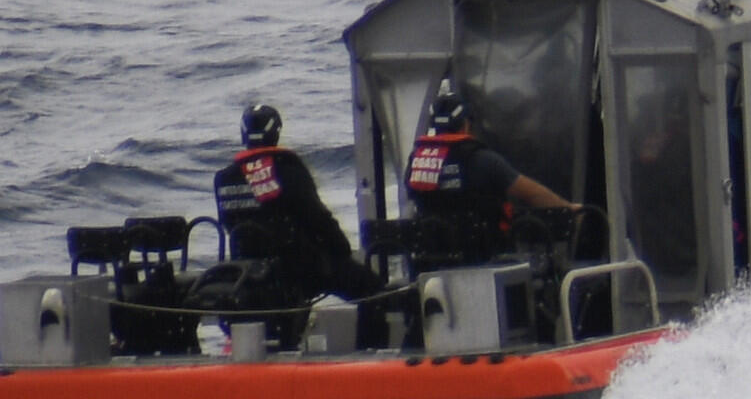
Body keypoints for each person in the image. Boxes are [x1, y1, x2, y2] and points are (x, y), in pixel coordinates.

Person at [210, 98, 373, 306]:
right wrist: (341, 249)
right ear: (276, 133)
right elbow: (318, 218)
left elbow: (228, 223)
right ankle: (373, 327)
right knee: (371, 288)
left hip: (246, 272)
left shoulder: (223, 178)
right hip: (296, 270)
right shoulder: (287, 170)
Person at [400, 79, 578, 271]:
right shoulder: (481, 160)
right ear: (466, 124)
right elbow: (532, 193)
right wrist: (570, 210)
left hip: (433, 262)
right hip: (485, 259)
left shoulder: (415, 162)